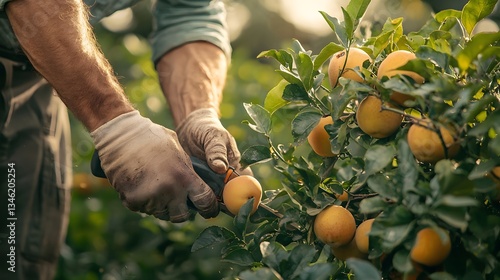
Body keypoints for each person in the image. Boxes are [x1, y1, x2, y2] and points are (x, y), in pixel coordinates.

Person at [0, 0, 244, 279]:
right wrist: (114, 122)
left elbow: (191, 12)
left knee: (18, 252)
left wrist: (198, 113)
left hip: (32, 64)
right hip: (38, 37)